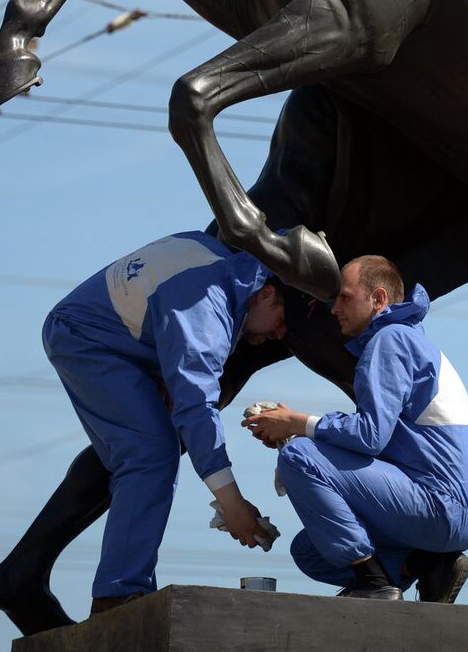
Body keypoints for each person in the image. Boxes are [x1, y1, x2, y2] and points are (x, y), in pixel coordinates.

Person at [37, 229, 287, 615]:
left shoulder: (214, 261)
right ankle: (118, 594)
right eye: (283, 320)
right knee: (150, 453)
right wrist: (232, 503)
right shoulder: (207, 305)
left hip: (101, 332)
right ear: (267, 292)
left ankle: (127, 585)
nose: (279, 334)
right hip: (85, 337)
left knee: (150, 452)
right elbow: (196, 407)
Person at [242, 255, 468, 602]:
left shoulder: (389, 340)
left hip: (440, 505)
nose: (334, 309)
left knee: (301, 456)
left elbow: (370, 436)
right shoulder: (407, 340)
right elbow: (380, 441)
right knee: (311, 550)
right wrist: (298, 428)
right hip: (450, 511)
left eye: (344, 297)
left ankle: (374, 584)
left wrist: (299, 424)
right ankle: (424, 566)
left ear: (378, 299)